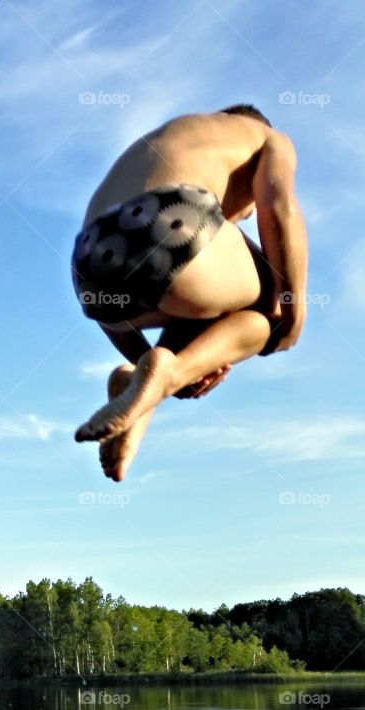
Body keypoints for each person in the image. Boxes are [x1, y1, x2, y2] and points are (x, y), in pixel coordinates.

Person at [71, 105, 307, 481]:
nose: (240, 216)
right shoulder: (267, 137)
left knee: (185, 335)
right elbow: (277, 206)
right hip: (168, 221)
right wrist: (292, 312)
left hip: (89, 268)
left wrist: (161, 368)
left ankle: (141, 386)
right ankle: (169, 370)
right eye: (241, 211)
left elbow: (111, 316)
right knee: (271, 304)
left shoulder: (177, 136)